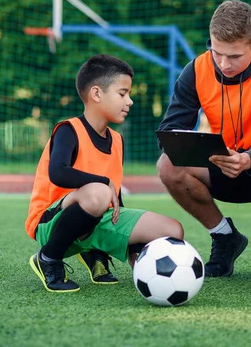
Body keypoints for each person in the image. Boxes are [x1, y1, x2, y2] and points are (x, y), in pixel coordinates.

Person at [157, 0, 251, 280]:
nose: (224, 63)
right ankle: (224, 237)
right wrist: (205, 151)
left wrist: (250, 158)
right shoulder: (196, 69)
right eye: (217, 52)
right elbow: (171, 129)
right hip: (221, 166)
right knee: (167, 164)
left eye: (234, 56)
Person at [25, 54, 183, 293]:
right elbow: (58, 173)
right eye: (123, 94)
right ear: (97, 94)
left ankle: (95, 252)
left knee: (173, 230)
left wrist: (132, 249)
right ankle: (48, 259)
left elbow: (116, 200)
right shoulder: (68, 130)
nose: (129, 101)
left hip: (98, 217)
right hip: (50, 223)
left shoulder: (117, 140)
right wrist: (102, 182)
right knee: (99, 193)